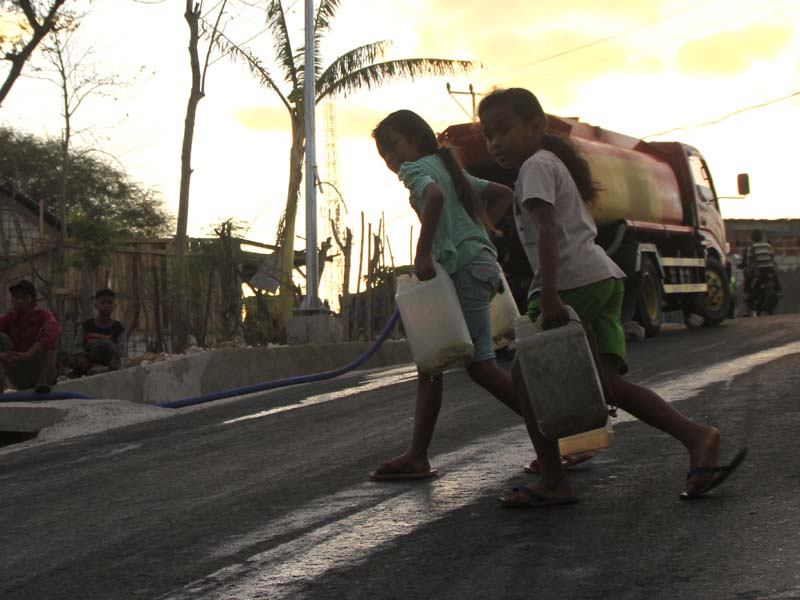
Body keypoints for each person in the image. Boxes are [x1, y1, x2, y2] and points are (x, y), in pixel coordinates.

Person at [477, 87, 747, 505]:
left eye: (504, 130)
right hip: (601, 277)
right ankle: (697, 437)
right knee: (608, 385)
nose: (495, 142)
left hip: (569, 284)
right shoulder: (550, 163)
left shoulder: (535, 168)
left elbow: (548, 232)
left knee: (527, 380)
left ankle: (553, 479)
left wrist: (548, 293)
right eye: (488, 134)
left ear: (536, 127)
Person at [369, 108, 529, 480]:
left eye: (394, 148)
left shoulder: (418, 170)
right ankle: (417, 455)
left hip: (464, 270)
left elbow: (435, 198)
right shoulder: (449, 166)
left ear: (417, 138)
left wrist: (423, 252)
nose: (392, 160)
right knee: (432, 363)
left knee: (481, 366)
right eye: (385, 156)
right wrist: (485, 232)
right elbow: (502, 193)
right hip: (479, 266)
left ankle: (552, 430)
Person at [0, 279, 62, 394]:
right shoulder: (9, 318)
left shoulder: (43, 315)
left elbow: (53, 331)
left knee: (48, 334)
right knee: (1, 336)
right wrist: (3, 355)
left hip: (43, 373)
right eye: (15, 297)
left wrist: (29, 354)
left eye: (23, 297)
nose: (18, 301)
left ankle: (42, 382)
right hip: (19, 373)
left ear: (34, 302)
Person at [67, 288, 125, 378]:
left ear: (114, 306)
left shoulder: (119, 328)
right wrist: (82, 359)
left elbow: (120, 350)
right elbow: (77, 347)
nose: (106, 306)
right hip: (87, 363)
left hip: (109, 366)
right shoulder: (86, 326)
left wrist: (106, 343)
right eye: (102, 302)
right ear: (96, 305)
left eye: (109, 303)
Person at [740, 229, 781, 316]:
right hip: (769, 269)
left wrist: (743, 266)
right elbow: (772, 257)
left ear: (752, 238)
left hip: (757, 271)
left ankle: (747, 296)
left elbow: (748, 261)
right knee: (775, 276)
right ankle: (778, 290)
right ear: (762, 237)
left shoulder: (751, 247)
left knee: (748, 280)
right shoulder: (768, 246)